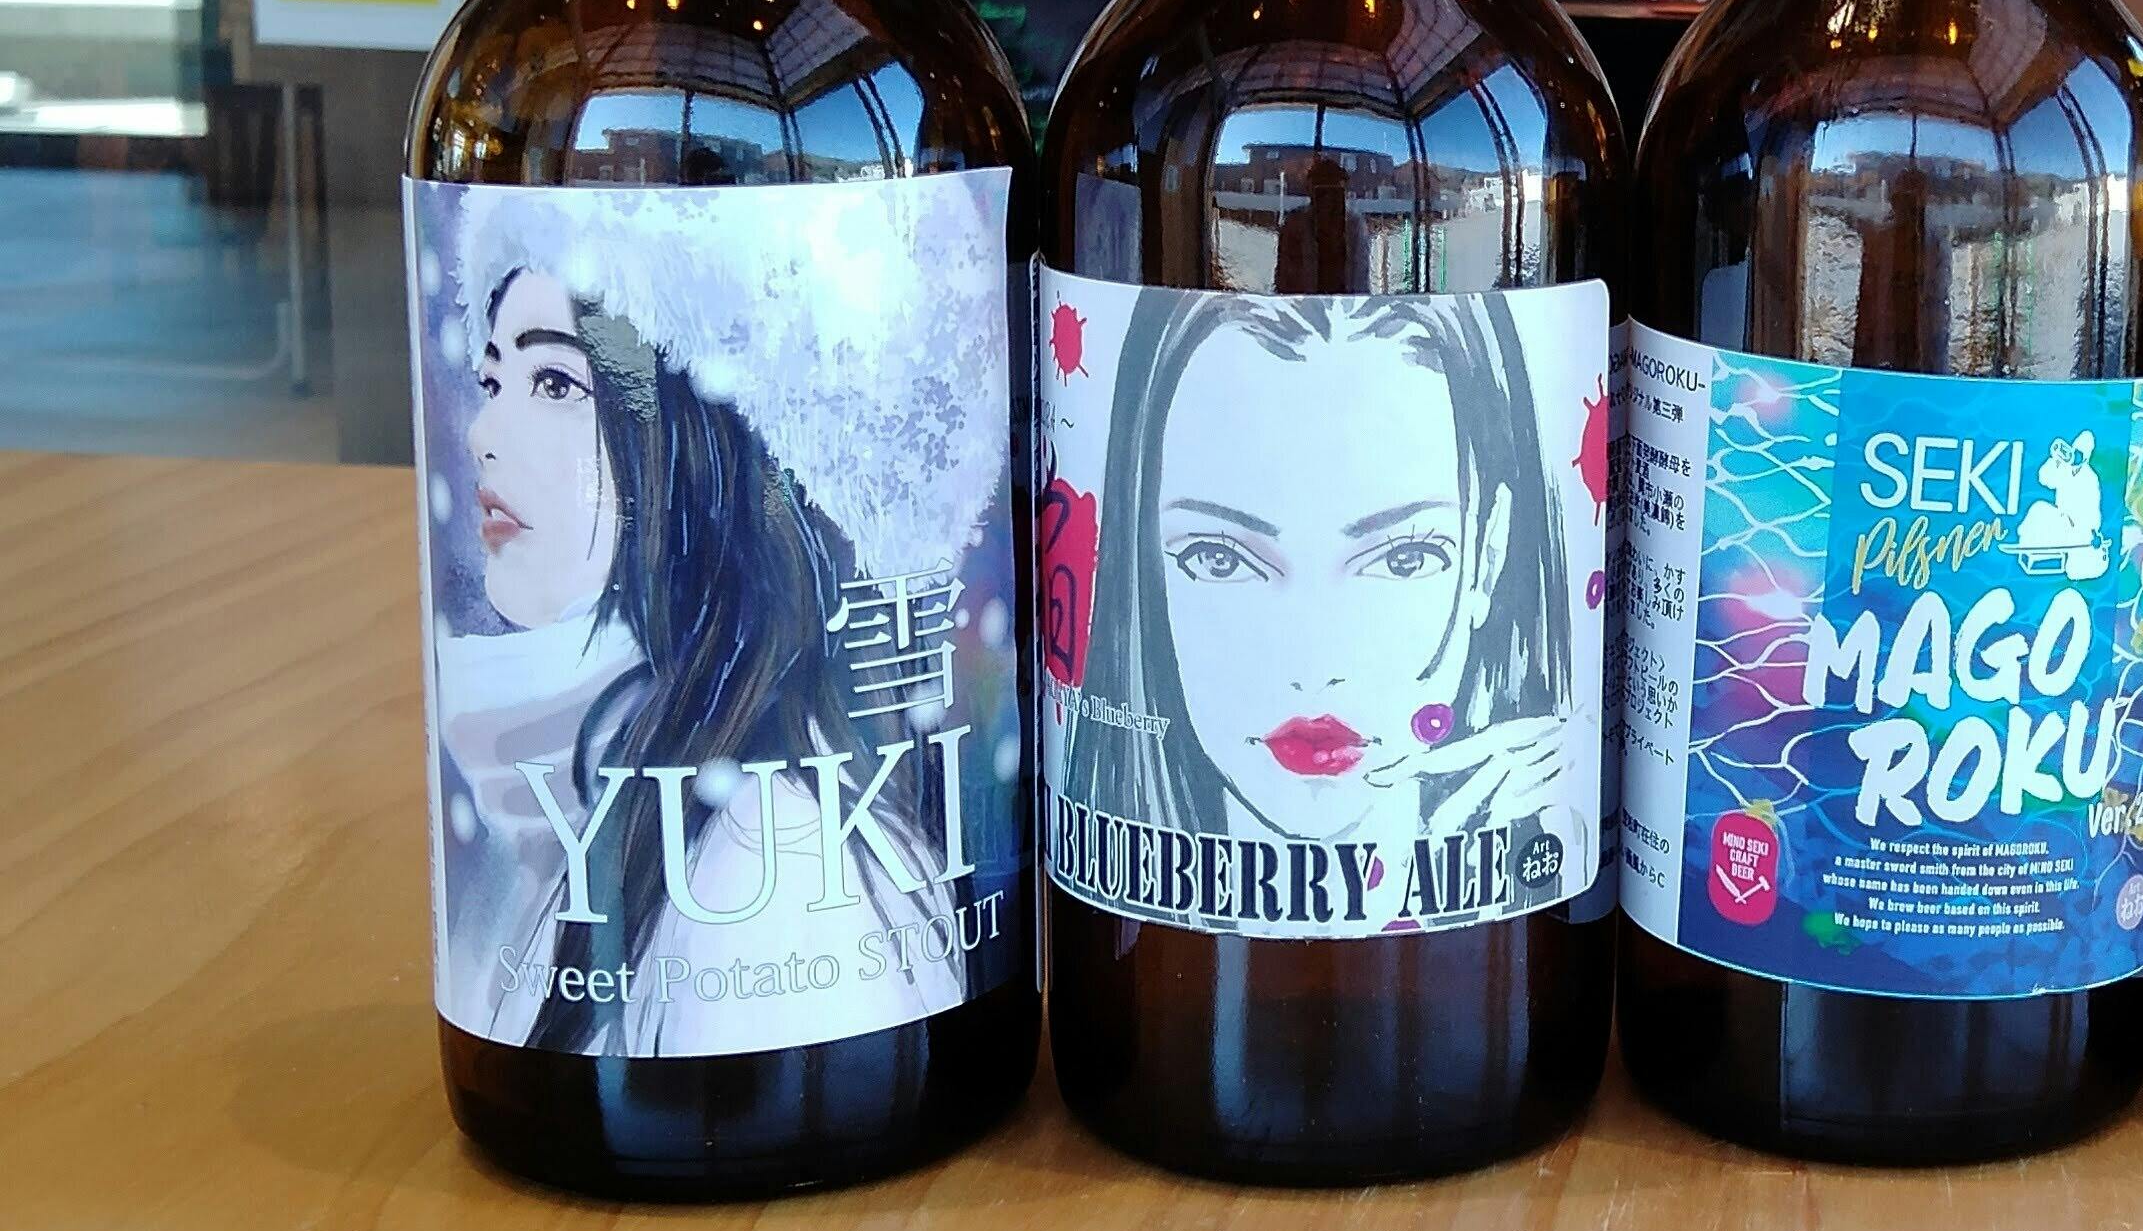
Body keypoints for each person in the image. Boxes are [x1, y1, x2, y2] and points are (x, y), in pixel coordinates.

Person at [429, 262, 970, 1053]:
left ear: (692, 432)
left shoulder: (764, 859)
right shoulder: (561, 784)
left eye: (554, 382)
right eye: (493, 381)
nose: (483, 434)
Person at [1053, 291, 1585, 896]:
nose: (1313, 667)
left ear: (1488, 553)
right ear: (1142, 563)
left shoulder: (1559, 830)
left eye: (1403, 559)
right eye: (1220, 560)